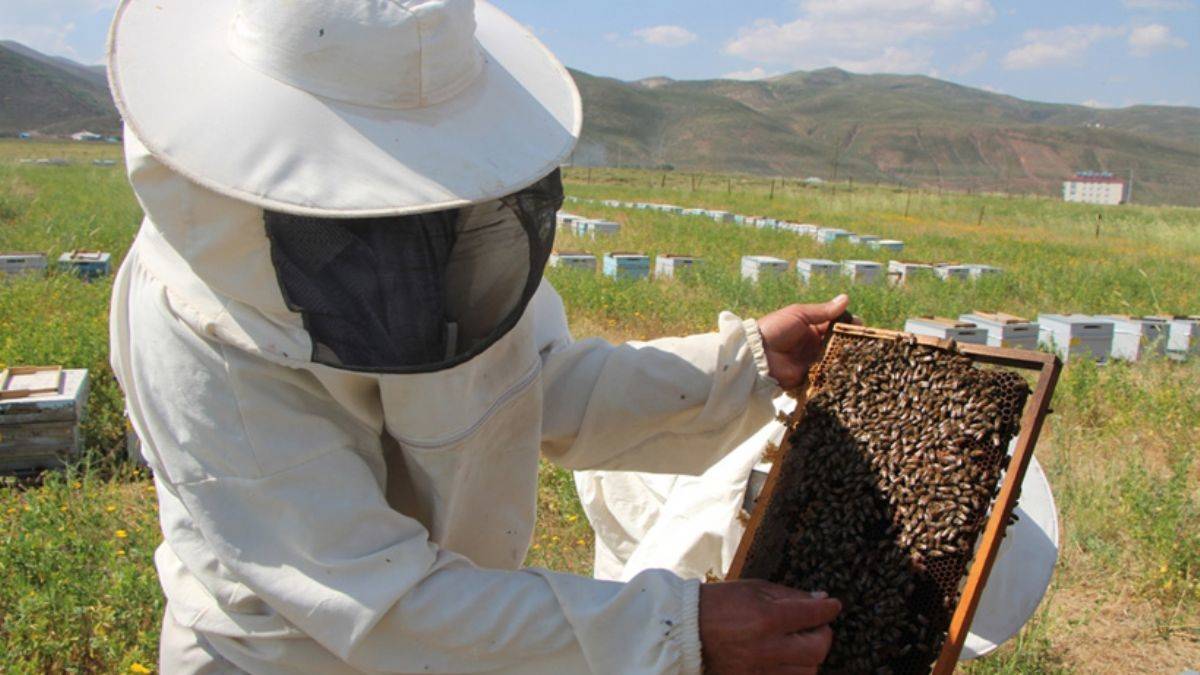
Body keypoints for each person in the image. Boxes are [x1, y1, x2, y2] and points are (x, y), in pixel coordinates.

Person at [107, 0, 849, 672]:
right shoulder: (196, 326)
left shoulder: (445, 226)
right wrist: (672, 628)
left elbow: (535, 380)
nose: (418, 218)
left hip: (459, 628)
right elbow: (375, 600)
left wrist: (742, 364)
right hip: (284, 657)